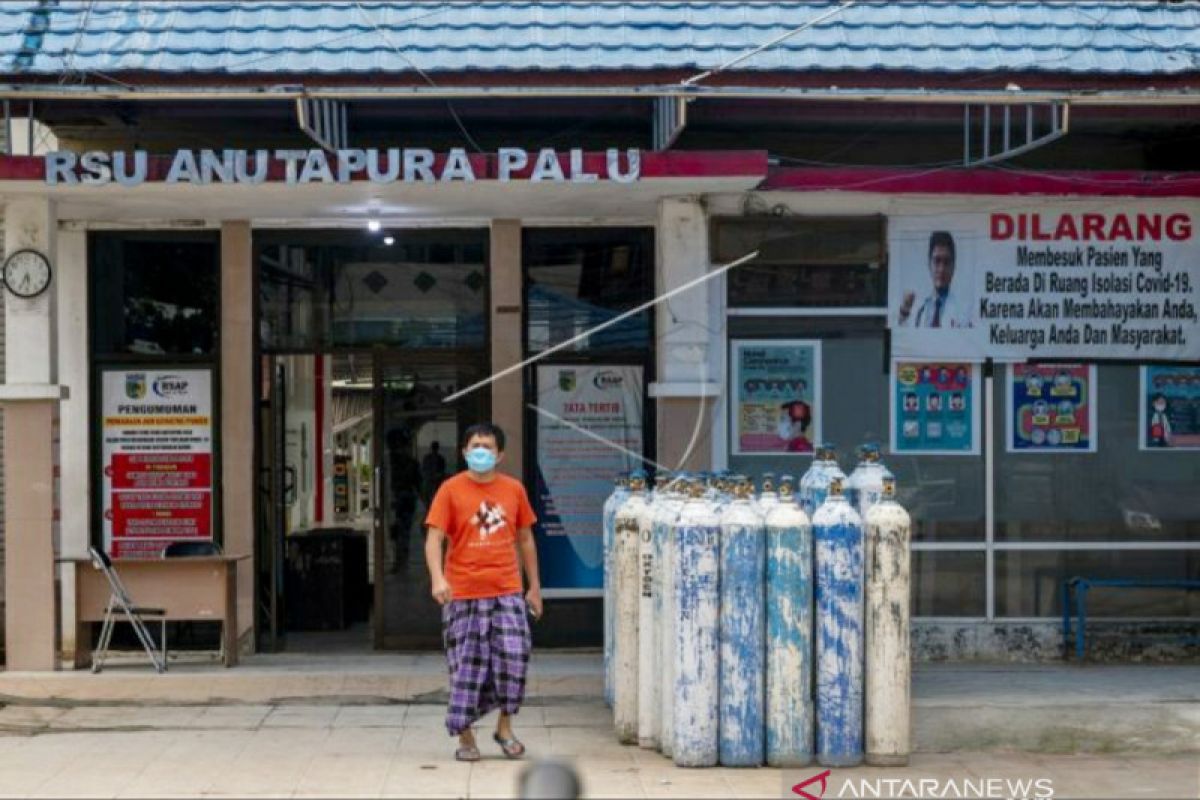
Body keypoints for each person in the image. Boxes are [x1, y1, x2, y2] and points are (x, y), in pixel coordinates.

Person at [424, 422, 543, 762]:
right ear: (464, 452)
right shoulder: (450, 490)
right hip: (462, 592)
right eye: (475, 445)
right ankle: (465, 738)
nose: (481, 452)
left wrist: (534, 587)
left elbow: (526, 540)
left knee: (513, 659)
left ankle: (504, 728)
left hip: (507, 589)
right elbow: (434, 539)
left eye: (488, 447)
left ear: (500, 454)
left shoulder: (513, 490)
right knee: (465, 666)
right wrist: (437, 579)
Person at [898, 231, 973, 328]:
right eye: (937, 261)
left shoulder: (964, 311)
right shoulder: (918, 308)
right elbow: (904, 337)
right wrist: (904, 311)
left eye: (946, 262)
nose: (941, 269)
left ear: (954, 267)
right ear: (929, 264)